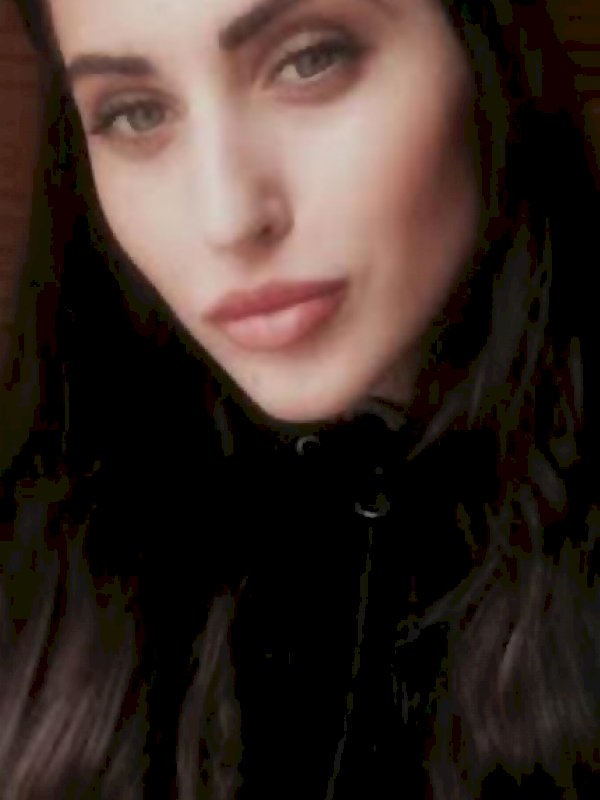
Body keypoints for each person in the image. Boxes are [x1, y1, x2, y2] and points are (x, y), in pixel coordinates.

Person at [1, 0, 599, 797]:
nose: (227, 218)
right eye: (135, 113)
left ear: (485, 47)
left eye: (310, 60)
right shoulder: (35, 566)